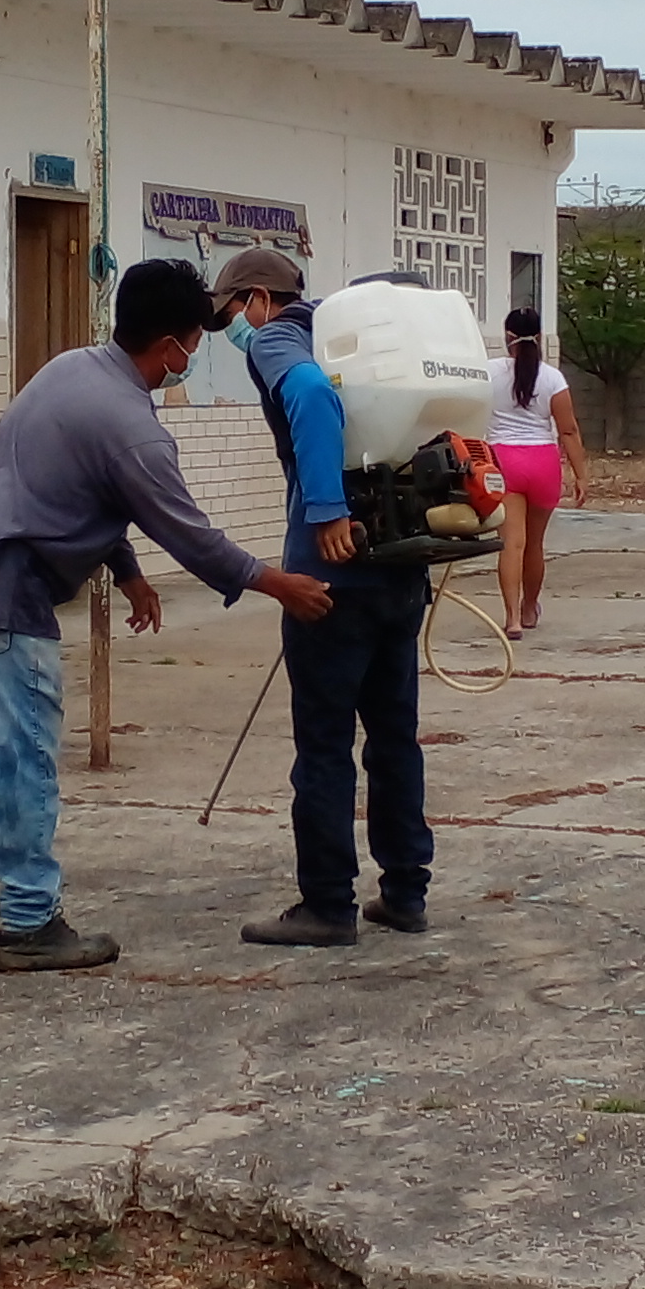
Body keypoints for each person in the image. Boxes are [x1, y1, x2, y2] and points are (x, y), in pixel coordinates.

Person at [0, 259, 335, 971]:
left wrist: (127, 573)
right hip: (0, 583)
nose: (194, 356)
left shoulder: (71, 368)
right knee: (22, 752)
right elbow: (190, 536)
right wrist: (280, 585)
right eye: (195, 342)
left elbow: (63, 483)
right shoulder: (133, 429)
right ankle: (28, 921)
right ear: (171, 345)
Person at [214, 250, 434, 946]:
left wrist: (326, 510)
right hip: (400, 567)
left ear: (257, 298)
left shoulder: (281, 336)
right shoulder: (358, 342)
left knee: (325, 746)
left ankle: (329, 904)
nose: (235, 328)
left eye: (232, 313)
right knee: (394, 739)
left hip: (329, 580)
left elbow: (309, 396)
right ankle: (405, 892)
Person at [483, 307, 589, 639]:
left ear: (507, 337)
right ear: (540, 337)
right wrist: (581, 475)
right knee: (535, 544)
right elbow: (568, 430)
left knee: (511, 544)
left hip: (504, 461)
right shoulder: (553, 378)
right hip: (543, 462)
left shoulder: (488, 372)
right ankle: (530, 608)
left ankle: (512, 619)